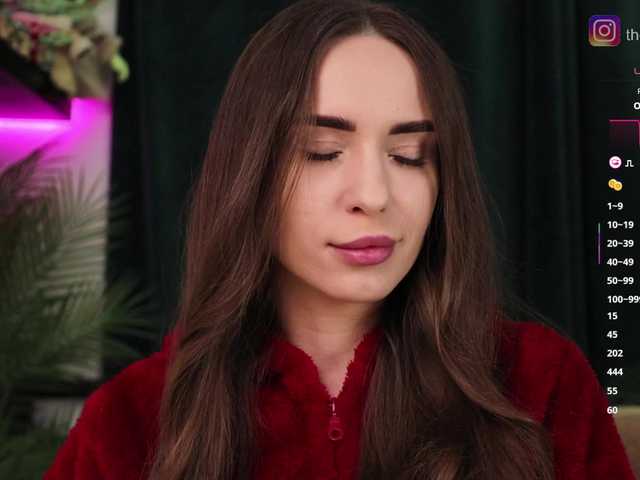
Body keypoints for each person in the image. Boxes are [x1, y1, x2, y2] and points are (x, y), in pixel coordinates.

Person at [43, 1, 636, 479]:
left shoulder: (540, 383)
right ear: (250, 171)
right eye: (322, 152)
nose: (373, 195)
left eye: (411, 156)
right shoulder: (130, 420)